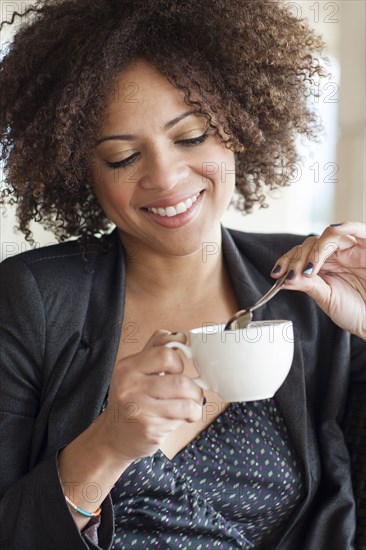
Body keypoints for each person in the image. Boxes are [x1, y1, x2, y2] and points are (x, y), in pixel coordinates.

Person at [0, 0, 365, 548]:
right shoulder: (33, 299)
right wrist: (107, 446)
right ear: (79, 169)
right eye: (122, 156)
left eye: (192, 136)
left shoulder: (313, 289)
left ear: (240, 124)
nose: (166, 179)